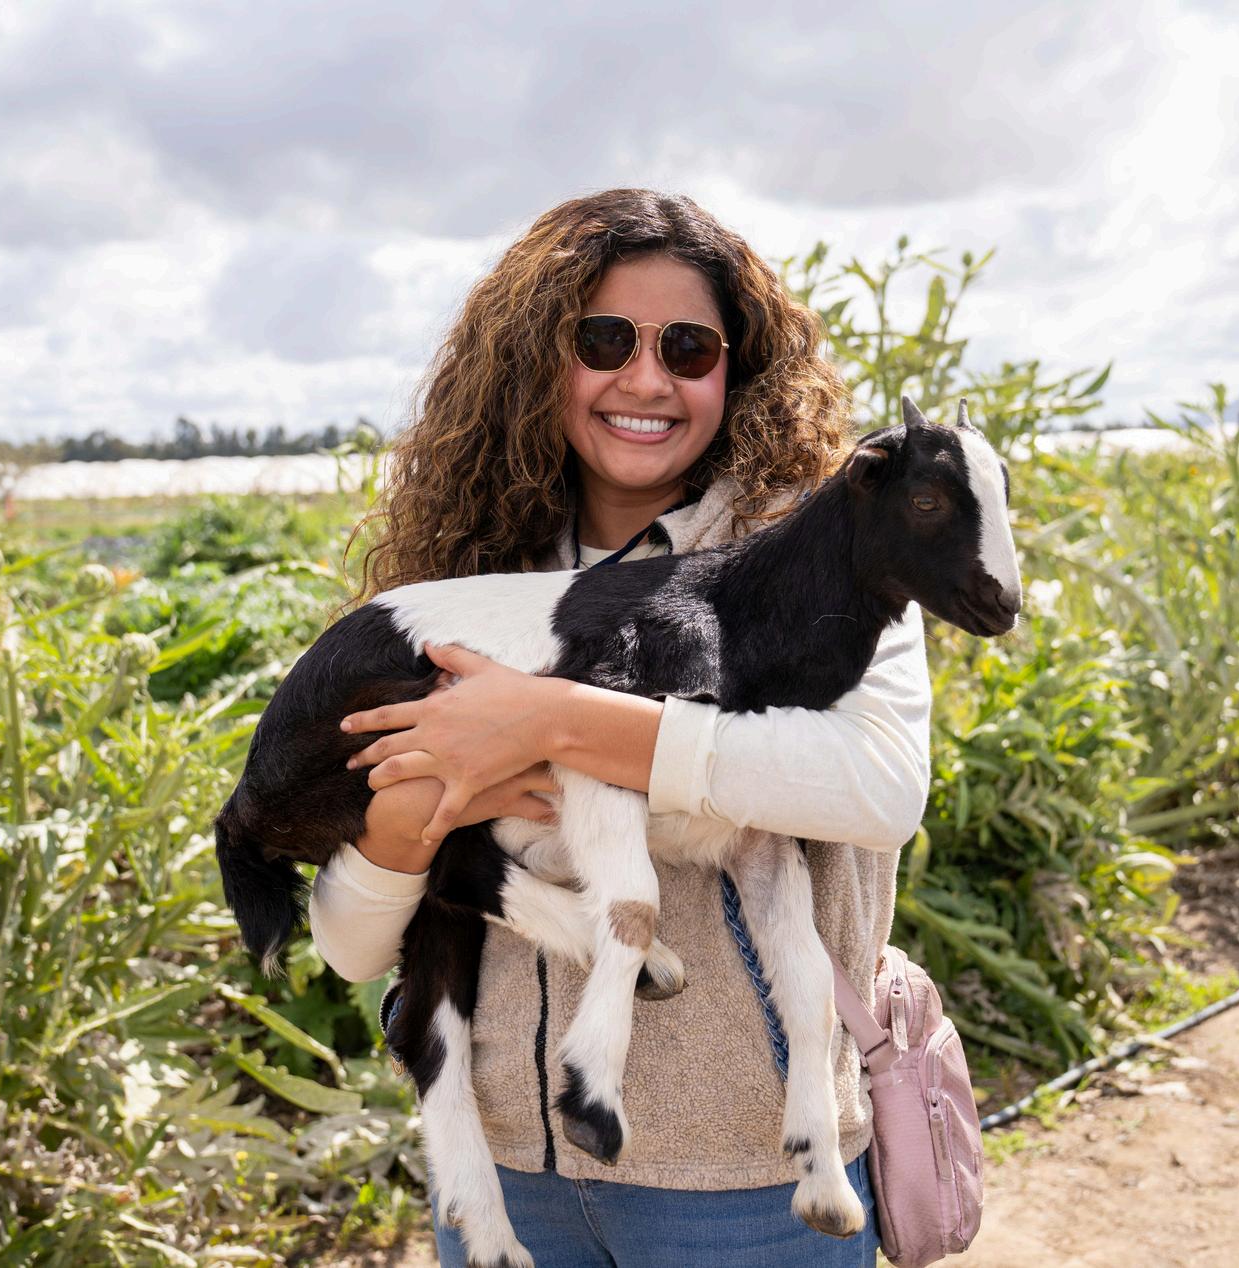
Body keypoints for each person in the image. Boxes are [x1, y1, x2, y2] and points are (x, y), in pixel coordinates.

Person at [309, 189, 932, 1267]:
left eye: (687, 348)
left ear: (736, 370)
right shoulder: (465, 588)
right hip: (508, 1181)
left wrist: (554, 719)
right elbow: (353, 947)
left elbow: (879, 788)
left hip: (747, 1190)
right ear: (536, 360)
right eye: (602, 341)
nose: (645, 381)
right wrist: (409, 826)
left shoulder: (827, 558)